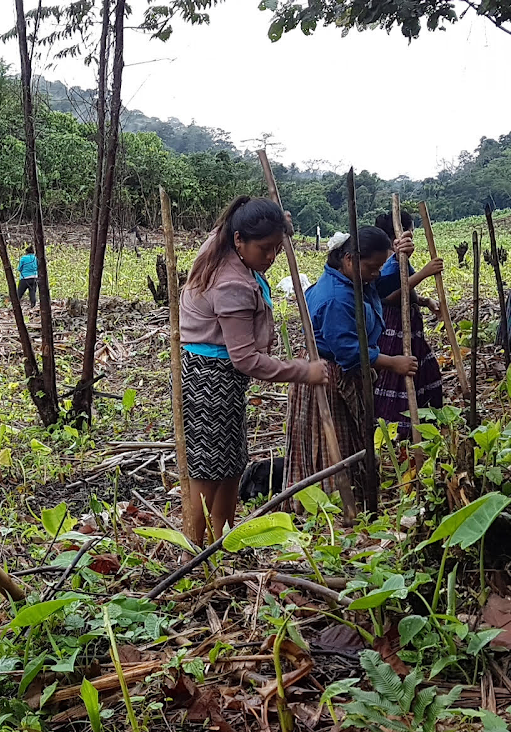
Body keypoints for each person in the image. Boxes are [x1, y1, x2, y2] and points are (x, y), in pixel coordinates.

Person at [178, 196, 329, 544]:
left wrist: (277, 220)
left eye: (277, 248)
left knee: (232, 463)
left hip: (223, 380)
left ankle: (223, 541)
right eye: (265, 248)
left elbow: (230, 223)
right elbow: (245, 359)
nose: (271, 257)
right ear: (239, 240)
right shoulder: (232, 284)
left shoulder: (222, 244)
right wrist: (303, 371)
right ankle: (193, 550)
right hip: (209, 379)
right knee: (207, 470)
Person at [285, 228, 418, 507]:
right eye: (372, 267)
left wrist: (398, 257)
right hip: (327, 376)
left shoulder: (357, 279)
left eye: (380, 266)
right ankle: (334, 503)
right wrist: (392, 363)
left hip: (341, 371)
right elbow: (349, 352)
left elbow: (384, 280)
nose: (376, 273)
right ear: (349, 259)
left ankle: (355, 495)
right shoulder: (336, 298)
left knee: (351, 436)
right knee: (332, 442)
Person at [372, 211, 445, 439]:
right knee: (398, 379)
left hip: (409, 325)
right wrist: (424, 273)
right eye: (411, 232)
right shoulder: (386, 260)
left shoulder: (398, 257)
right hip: (394, 326)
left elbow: (407, 290)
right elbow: (389, 296)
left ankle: (425, 423)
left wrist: (425, 301)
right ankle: (398, 432)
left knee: (423, 371)